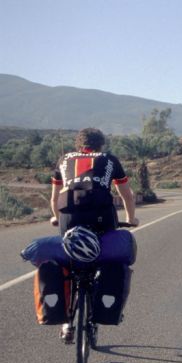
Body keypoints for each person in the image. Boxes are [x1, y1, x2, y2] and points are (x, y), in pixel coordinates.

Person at [49, 127, 139, 342]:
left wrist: (55, 217)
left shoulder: (64, 159)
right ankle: (103, 301)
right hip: (102, 214)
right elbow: (127, 194)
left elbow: (54, 199)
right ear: (101, 145)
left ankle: (66, 322)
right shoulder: (109, 159)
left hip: (68, 215)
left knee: (68, 261)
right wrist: (131, 218)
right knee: (106, 255)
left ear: (78, 144)